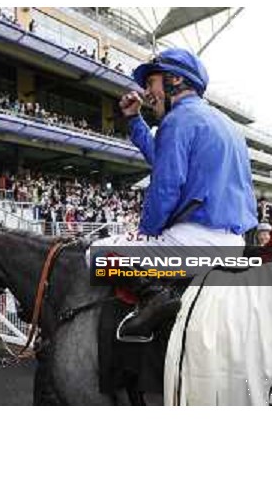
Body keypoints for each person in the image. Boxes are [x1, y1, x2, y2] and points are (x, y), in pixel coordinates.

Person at [91, 48, 258, 341]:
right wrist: (134, 120)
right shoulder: (228, 125)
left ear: (175, 81)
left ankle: (153, 296)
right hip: (234, 244)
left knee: (95, 254)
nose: (146, 92)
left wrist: (146, 234)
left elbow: (165, 187)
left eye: (151, 83)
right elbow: (162, 158)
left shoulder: (178, 120)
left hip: (192, 243)